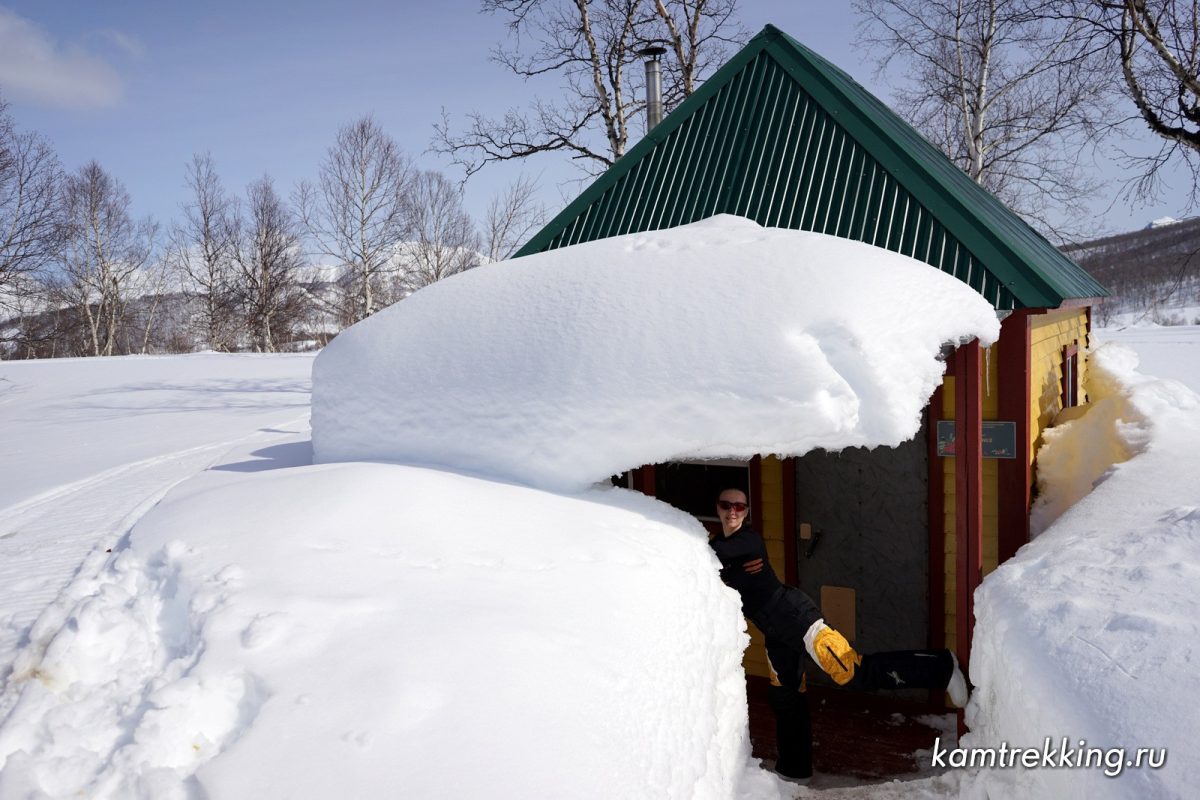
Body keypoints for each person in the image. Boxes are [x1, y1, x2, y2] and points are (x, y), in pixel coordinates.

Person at [708, 488, 968, 782]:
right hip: (773, 629)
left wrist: (726, 570)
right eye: (726, 505)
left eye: (739, 506)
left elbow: (711, 558)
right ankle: (794, 769)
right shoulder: (720, 544)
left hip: (796, 617)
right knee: (785, 695)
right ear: (716, 508)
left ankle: (941, 667)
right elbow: (716, 564)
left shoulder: (748, 540)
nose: (732, 511)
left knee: (851, 671)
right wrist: (729, 571)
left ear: (747, 511)